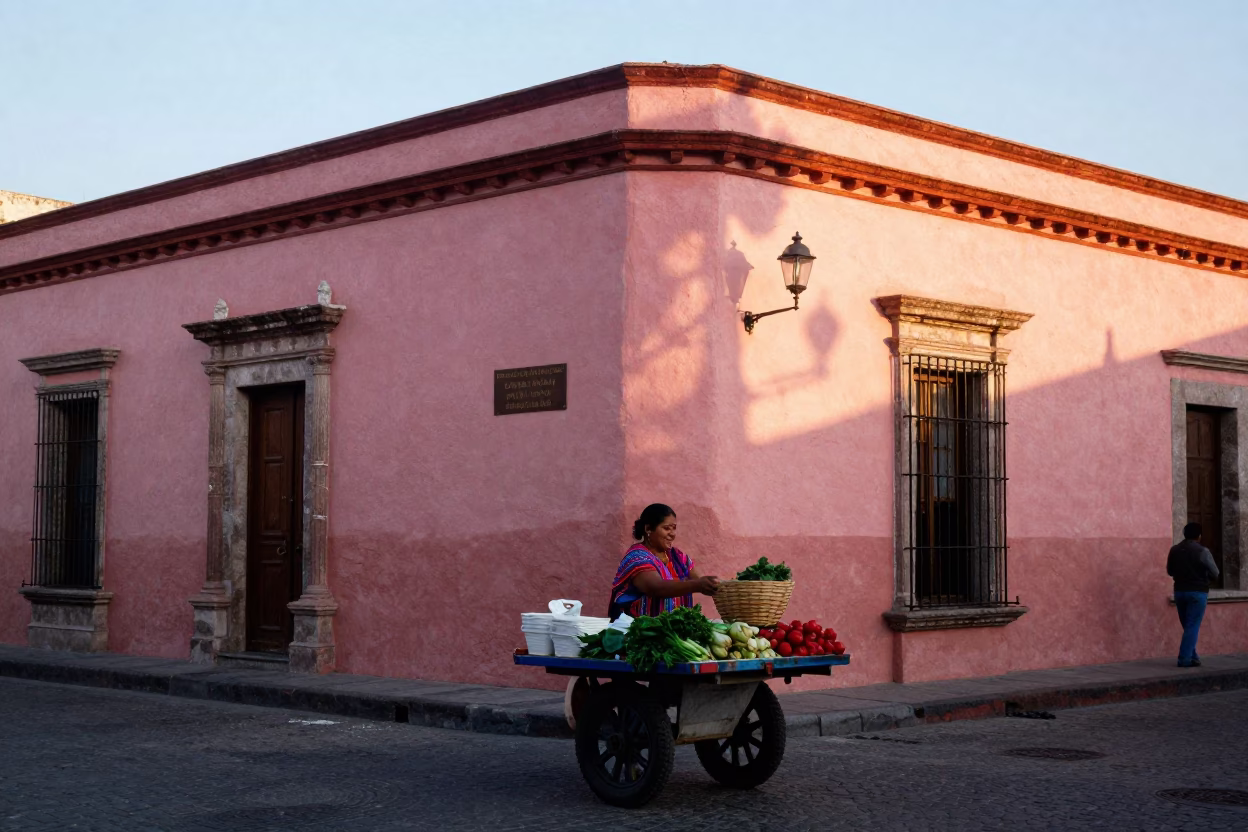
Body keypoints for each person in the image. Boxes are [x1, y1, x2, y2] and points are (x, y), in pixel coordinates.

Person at [608, 503, 719, 620]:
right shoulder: (636, 557)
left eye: (674, 528)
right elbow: (655, 587)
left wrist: (717, 585)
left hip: (672, 632)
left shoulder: (677, 556)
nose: (672, 534)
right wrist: (698, 585)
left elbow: (700, 579)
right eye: (666, 528)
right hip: (636, 631)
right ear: (648, 529)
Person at [1166, 522, 1220, 667]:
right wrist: (1205, 578)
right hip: (1198, 592)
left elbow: (1170, 571)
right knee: (1192, 625)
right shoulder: (1203, 551)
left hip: (1179, 591)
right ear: (1199, 536)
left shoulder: (1174, 550)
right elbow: (1215, 572)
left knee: (1188, 626)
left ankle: (1193, 657)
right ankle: (1184, 659)